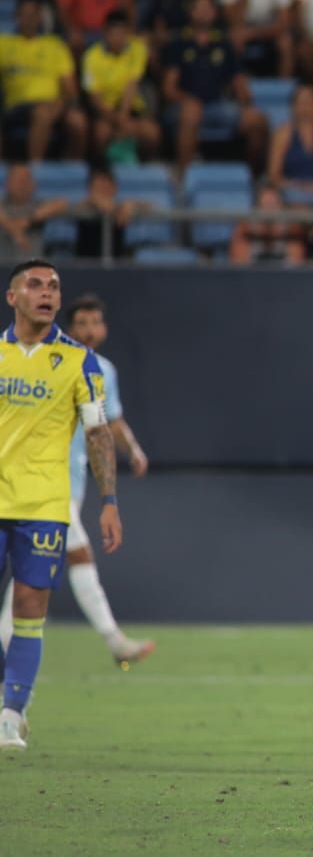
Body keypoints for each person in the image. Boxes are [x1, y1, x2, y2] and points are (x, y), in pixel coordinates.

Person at [0, 260, 124, 751]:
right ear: (13, 297)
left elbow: (98, 433)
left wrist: (109, 500)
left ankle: (12, 713)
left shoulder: (79, 361)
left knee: (29, 613)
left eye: (53, 286)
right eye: (35, 284)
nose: (47, 292)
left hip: (45, 506)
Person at [0, 293, 150, 667]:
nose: (88, 330)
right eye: (80, 323)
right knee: (76, 556)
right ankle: (114, 641)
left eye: (93, 323)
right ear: (70, 327)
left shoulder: (103, 370)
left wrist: (132, 448)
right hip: (40, 482)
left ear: (103, 328)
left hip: (72, 483)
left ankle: (6, 649)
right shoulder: (49, 363)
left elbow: (109, 421)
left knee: (28, 573)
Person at [161, 0, 269, 171]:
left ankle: (253, 178)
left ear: (214, 13)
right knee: (192, 112)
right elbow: (168, 88)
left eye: (208, 8)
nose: (204, 12)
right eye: (199, 8)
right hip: (183, 108)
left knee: (257, 120)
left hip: (217, 105)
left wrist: (247, 101)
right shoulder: (179, 43)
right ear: (191, 12)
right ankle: (184, 177)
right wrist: (188, 101)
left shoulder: (224, 44)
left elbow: (238, 80)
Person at [0, 0, 87, 161]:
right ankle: (36, 171)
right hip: (17, 107)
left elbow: (70, 88)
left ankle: (73, 168)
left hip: (54, 104)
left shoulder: (55, 45)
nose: (28, 19)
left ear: (40, 17)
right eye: (24, 15)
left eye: (32, 15)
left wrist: (59, 105)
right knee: (42, 113)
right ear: (16, 17)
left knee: (78, 121)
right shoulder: (3, 44)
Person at [81, 11, 158, 163]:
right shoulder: (91, 56)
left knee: (152, 133)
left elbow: (132, 85)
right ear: (105, 34)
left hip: (130, 109)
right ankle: (102, 171)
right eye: (114, 34)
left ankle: (147, 169)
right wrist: (115, 120)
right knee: (101, 134)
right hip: (105, 112)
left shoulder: (137, 48)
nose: (118, 38)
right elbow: (94, 96)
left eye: (122, 33)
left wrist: (123, 118)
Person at [267, 83, 313, 201]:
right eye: (301, 102)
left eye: (310, 102)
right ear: (293, 106)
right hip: (291, 191)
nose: (306, 107)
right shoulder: (283, 134)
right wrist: (299, 187)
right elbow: (274, 176)